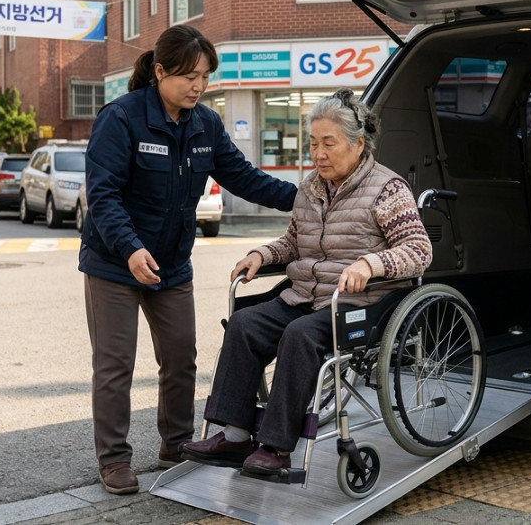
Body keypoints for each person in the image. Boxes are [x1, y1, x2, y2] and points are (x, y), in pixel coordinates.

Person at [80, 25, 297, 495]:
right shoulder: (122, 118)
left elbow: (245, 177)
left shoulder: (206, 124)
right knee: (115, 365)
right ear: (160, 72)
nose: (198, 86)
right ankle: (114, 460)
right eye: (188, 76)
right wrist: (130, 248)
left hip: (172, 265)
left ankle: (175, 446)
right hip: (114, 262)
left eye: (204, 76)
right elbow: (103, 195)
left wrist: (307, 199)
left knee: (180, 359)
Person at [180, 88, 432, 475]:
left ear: (358, 144)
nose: (319, 153)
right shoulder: (311, 187)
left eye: (329, 143)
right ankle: (234, 436)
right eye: (313, 143)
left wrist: (370, 264)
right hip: (306, 296)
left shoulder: (387, 189)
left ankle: (277, 447)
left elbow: (419, 250)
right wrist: (262, 255)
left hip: (361, 304)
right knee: (245, 324)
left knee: (299, 335)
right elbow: (294, 242)